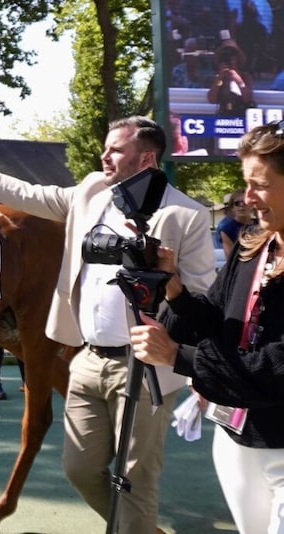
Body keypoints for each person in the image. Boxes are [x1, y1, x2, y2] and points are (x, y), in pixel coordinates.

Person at [0, 116, 216, 533]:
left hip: (146, 366)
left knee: (136, 482)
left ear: (147, 157)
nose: (104, 155)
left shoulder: (187, 215)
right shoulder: (91, 191)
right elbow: (28, 194)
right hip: (86, 359)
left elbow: (203, 304)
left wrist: (168, 277)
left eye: (116, 150)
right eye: (105, 147)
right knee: (80, 469)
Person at [130, 121, 284, 534]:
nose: (247, 198)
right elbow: (215, 323)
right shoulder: (255, 244)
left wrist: (176, 357)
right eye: (245, 184)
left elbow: (277, 366)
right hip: (236, 438)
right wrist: (174, 289)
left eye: (260, 185)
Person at [207, 37, 254, 116]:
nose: (229, 59)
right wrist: (219, 78)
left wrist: (239, 80)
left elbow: (247, 99)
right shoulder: (218, 79)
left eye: (232, 55)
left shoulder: (245, 76)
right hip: (223, 115)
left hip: (241, 114)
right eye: (225, 56)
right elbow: (212, 99)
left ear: (237, 58)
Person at [216, 188, 253, 259]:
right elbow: (231, 258)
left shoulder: (261, 224)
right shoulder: (226, 228)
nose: (241, 205)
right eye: (237, 203)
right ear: (232, 207)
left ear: (252, 205)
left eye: (245, 202)